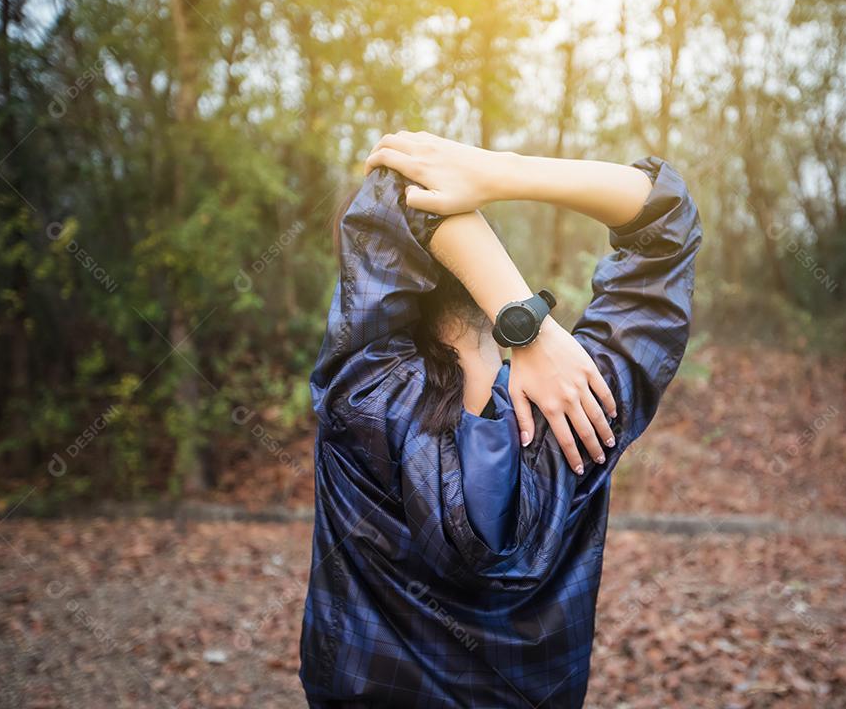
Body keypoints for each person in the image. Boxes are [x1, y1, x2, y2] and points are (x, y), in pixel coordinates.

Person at [300, 131, 702, 708]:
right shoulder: (588, 407)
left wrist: (526, 323)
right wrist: (501, 171)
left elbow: (394, 186)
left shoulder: (361, 397)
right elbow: (667, 220)